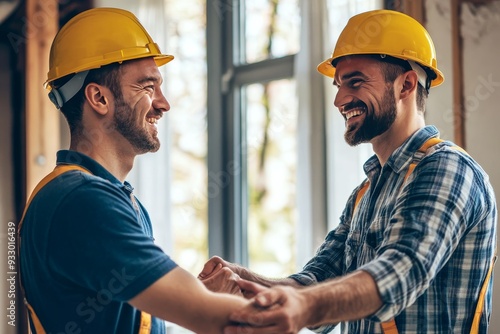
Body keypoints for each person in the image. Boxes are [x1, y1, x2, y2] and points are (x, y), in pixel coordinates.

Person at [198, 9, 498, 334]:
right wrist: (245, 282)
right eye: (338, 85)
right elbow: (315, 287)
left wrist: (305, 305)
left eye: (355, 81)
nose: (340, 99)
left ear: (406, 85)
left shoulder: (448, 170)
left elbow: (396, 276)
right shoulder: (364, 195)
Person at [18, 7, 249, 334]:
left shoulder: (116, 200)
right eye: (147, 87)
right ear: (99, 98)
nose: (163, 103)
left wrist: (199, 299)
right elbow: (211, 316)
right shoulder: (81, 200)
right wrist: (207, 304)